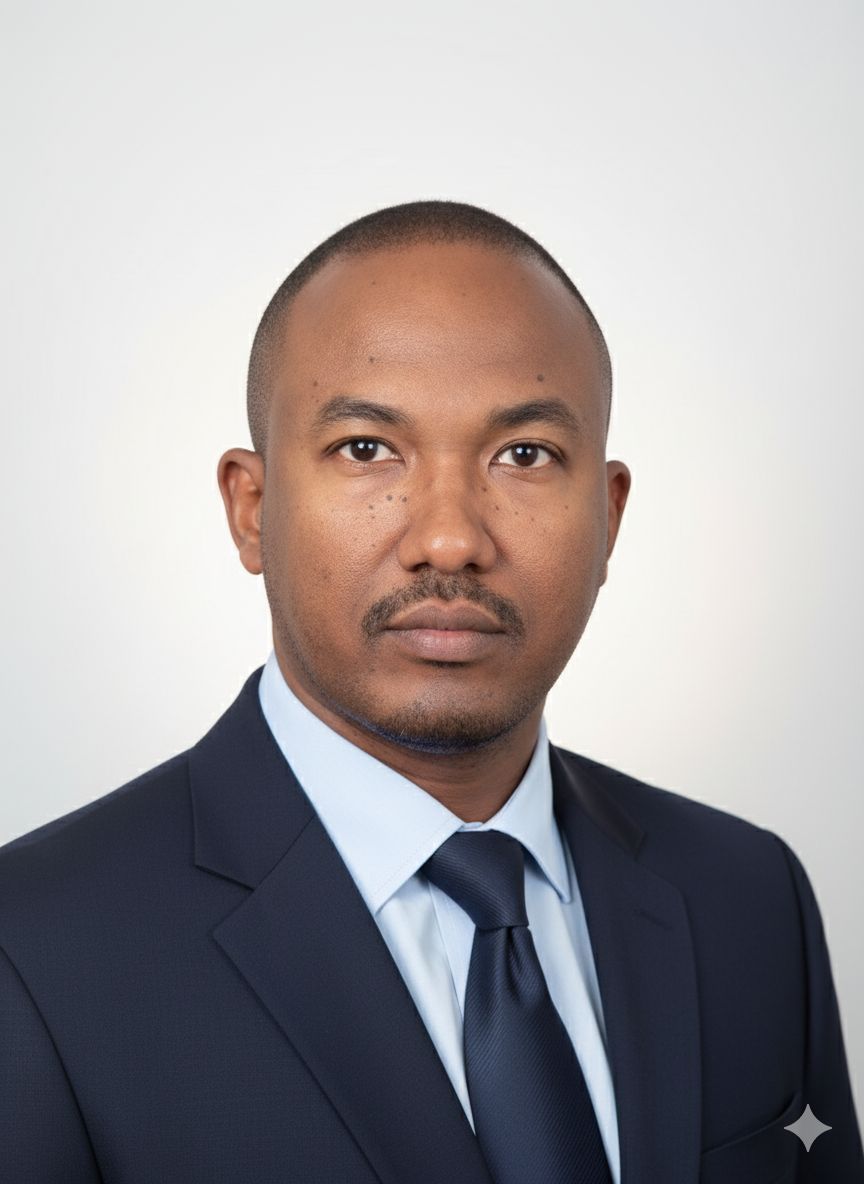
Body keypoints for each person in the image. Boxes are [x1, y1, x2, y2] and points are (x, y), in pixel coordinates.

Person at [0, 200, 860, 1184]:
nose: (449, 539)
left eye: (524, 455)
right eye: (367, 448)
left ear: (609, 516)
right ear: (252, 508)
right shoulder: (32, 951)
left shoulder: (750, 896)